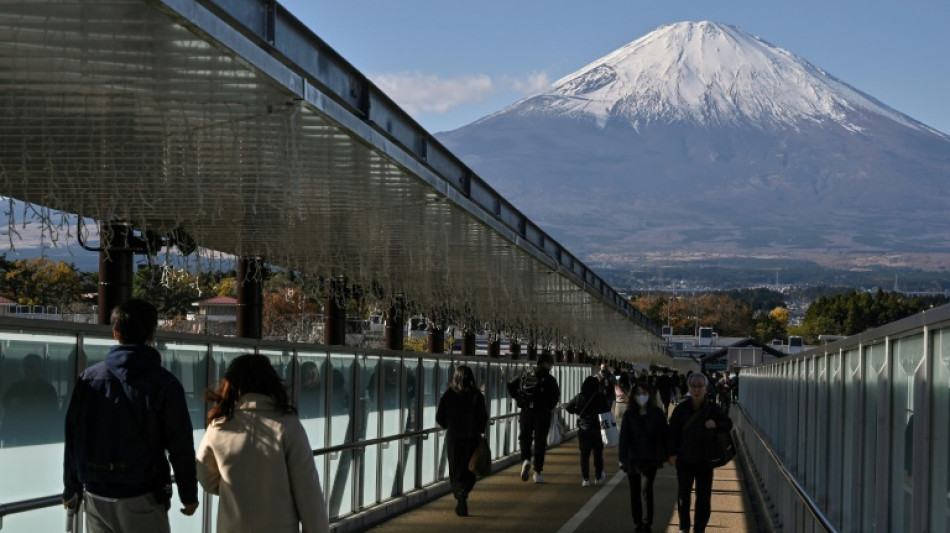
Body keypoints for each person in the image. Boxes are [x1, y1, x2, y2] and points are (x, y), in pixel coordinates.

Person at [63, 299, 199, 533]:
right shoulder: (165, 383)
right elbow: (180, 445)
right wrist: (189, 494)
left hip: (96, 495)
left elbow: (73, 438)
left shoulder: (88, 378)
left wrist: (71, 488)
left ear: (115, 333)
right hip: (142, 494)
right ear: (152, 334)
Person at [196, 353, 329, 532]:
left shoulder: (218, 427)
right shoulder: (287, 425)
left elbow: (206, 478)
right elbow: (308, 492)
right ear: (271, 383)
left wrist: (234, 487)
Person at [668, 373, 733, 533]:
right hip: (684, 459)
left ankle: (699, 528)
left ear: (706, 388)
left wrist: (715, 423)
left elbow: (728, 423)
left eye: (700, 386)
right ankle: (684, 527)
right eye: (693, 386)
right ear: (689, 388)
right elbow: (672, 433)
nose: (696, 389)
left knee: (703, 498)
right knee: (683, 494)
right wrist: (671, 453)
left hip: (705, 459)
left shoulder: (713, 409)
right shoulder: (681, 409)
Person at [435, 365, 489, 516]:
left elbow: (439, 418)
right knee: (471, 469)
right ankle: (464, 490)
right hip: (472, 437)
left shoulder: (448, 396)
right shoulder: (477, 395)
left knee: (455, 469)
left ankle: (460, 493)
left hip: (454, 438)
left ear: (455, 377)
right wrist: (479, 428)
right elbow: (483, 417)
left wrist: (450, 426)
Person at [619, 383, 669, 533]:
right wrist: (622, 458)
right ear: (633, 397)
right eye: (638, 393)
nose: (641, 396)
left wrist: (667, 453)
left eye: (644, 393)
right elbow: (624, 438)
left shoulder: (657, 413)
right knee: (634, 492)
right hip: (632, 458)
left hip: (651, 458)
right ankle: (637, 524)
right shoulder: (629, 414)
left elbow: (666, 434)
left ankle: (647, 523)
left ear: (649, 395)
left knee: (647, 490)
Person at [508, 353, 560, 483]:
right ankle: (537, 472)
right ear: (546, 363)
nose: (551, 366)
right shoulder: (549, 379)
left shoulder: (525, 375)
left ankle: (526, 459)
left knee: (525, 437)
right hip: (542, 413)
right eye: (551, 364)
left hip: (526, 412)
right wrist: (548, 406)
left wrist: (519, 399)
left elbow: (510, 385)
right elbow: (555, 397)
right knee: (540, 441)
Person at [1, 353, 60, 446]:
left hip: (40, 436)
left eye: (32, 367)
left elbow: (54, 413)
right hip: (19, 435)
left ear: (39, 368)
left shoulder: (47, 389)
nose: (28, 370)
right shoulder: (16, 387)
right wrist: (11, 402)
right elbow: (5, 401)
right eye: (26, 366)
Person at [565, 375, 610, 487]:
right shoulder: (600, 396)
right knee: (598, 454)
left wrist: (578, 412)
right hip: (597, 429)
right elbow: (606, 411)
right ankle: (598, 477)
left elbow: (568, 407)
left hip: (584, 429)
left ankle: (585, 479)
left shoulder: (579, 397)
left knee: (584, 455)